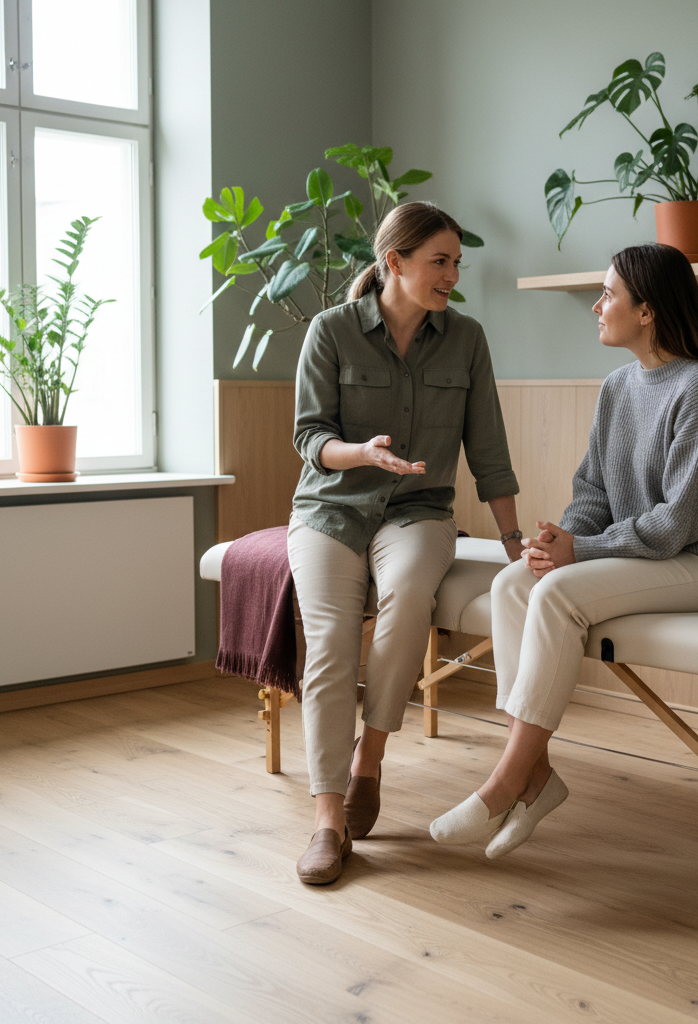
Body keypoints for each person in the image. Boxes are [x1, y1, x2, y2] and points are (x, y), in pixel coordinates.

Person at [429, 242, 698, 858]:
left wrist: (580, 552)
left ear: (648, 311)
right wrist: (554, 542)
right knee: (513, 584)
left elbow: (681, 523)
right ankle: (535, 773)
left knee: (557, 593)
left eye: (609, 293)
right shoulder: (619, 387)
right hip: (660, 554)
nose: (597, 306)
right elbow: (593, 490)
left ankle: (506, 782)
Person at [288, 201, 522, 884]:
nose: (452, 275)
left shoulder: (467, 339)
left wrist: (512, 538)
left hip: (419, 512)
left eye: (456, 263)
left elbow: (490, 451)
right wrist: (359, 453)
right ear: (396, 261)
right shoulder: (331, 331)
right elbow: (310, 440)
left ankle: (371, 760)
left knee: (409, 597)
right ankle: (328, 819)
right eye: (439, 261)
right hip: (330, 510)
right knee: (330, 640)